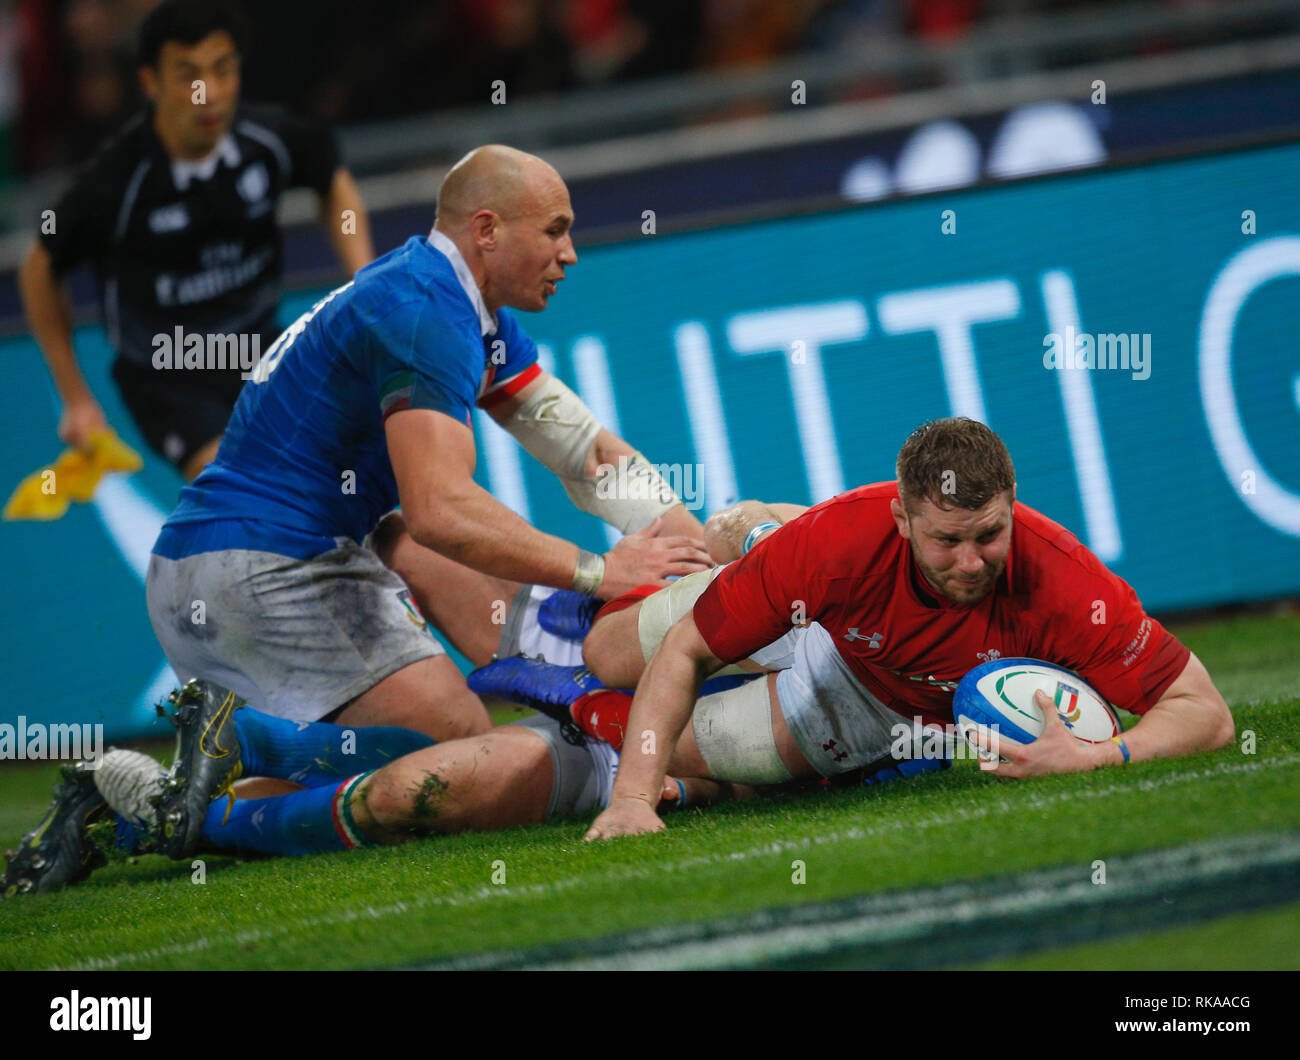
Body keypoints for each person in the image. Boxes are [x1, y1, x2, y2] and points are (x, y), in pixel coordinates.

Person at [572, 417, 1236, 839]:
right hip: (829, 603)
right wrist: (632, 798)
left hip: (873, 702)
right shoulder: (838, 542)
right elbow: (686, 650)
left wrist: (1096, 757)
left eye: (990, 534)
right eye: (947, 540)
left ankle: (586, 703)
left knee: (638, 730)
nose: (973, 562)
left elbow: (1204, 712)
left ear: (1012, 507)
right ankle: (756, 533)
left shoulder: (1064, 581)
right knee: (608, 652)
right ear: (901, 520)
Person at [19, 0, 374, 481]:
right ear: (150, 82)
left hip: (258, 350)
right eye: (188, 75)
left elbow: (332, 182)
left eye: (223, 71)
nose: (210, 93)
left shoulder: (267, 140)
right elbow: (39, 268)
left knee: (356, 469)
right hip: (167, 374)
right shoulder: (113, 184)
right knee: (245, 485)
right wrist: (76, 399)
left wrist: (364, 282)